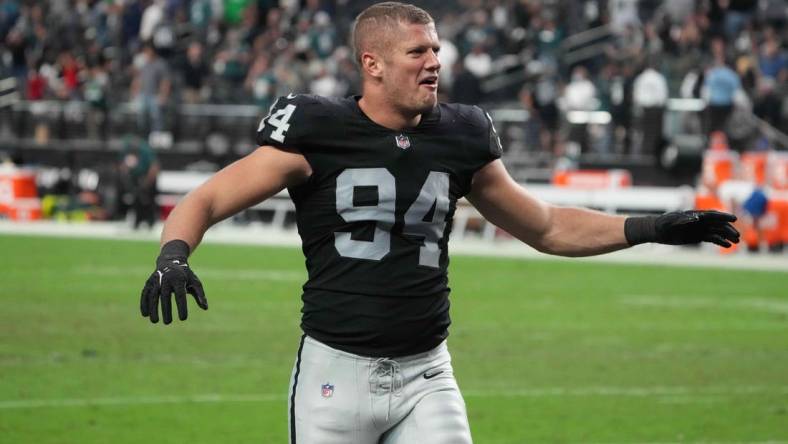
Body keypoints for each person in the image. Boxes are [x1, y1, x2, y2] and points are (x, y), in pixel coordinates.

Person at [138, 3, 740, 443]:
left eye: (437, 50)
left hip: (427, 373)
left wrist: (655, 227)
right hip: (333, 376)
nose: (435, 62)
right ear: (372, 64)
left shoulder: (462, 132)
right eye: (418, 52)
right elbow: (209, 198)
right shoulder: (315, 129)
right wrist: (174, 253)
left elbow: (548, 226)